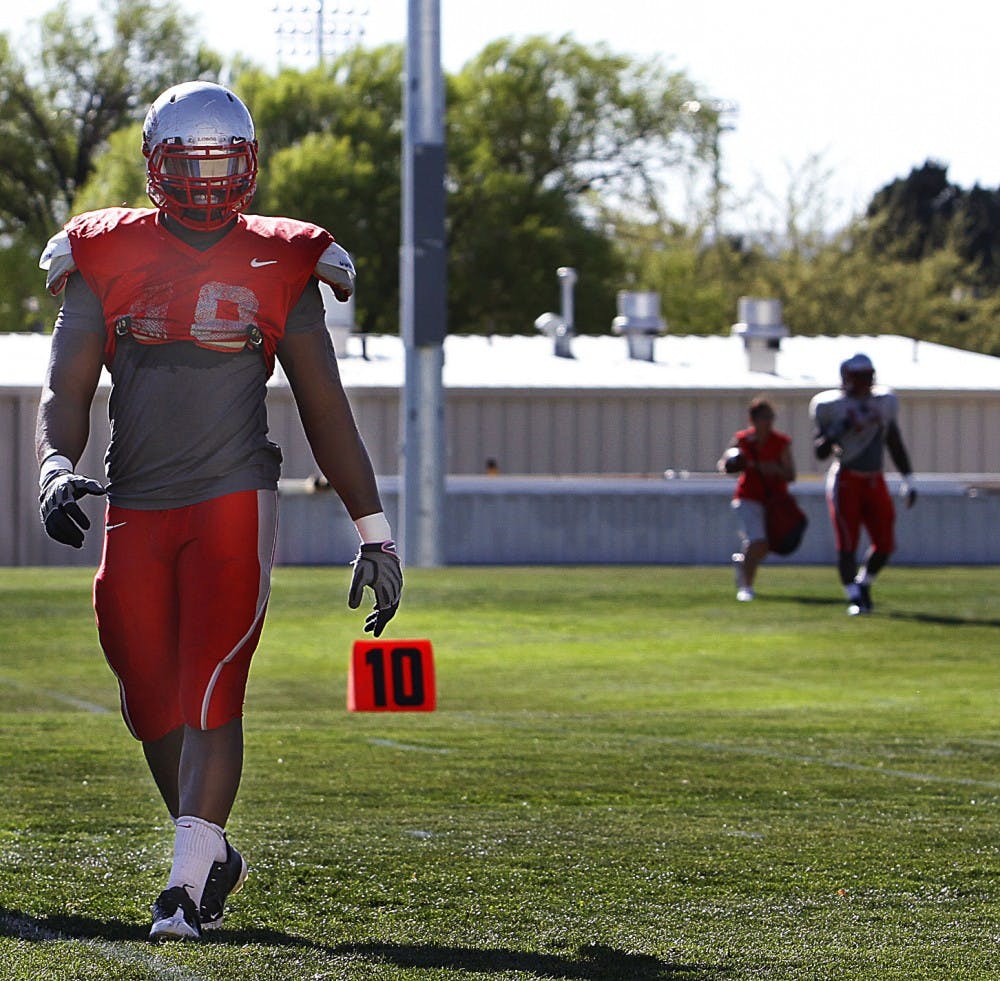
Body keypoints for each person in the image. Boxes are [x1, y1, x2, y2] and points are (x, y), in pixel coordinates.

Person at [34, 80, 404, 941]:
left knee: (210, 686)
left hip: (235, 495)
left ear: (248, 166)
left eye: (221, 163)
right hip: (136, 500)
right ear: (157, 166)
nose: (207, 182)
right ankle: (212, 852)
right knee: (146, 696)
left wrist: (373, 529)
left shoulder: (286, 259)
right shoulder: (100, 250)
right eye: (190, 164)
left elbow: (325, 406)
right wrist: (56, 462)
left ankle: (184, 889)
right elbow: (68, 380)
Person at [809, 352, 916, 616]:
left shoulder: (884, 402)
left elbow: (893, 441)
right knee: (847, 542)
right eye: (860, 377)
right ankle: (854, 598)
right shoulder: (831, 406)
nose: (866, 383)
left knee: (886, 543)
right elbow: (820, 452)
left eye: (868, 377)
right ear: (846, 378)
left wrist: (909, 478)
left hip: (874, 478)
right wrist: (839, 429)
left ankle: (863, 583)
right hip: (846, 478)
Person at [717, 398, 797, 601]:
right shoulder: (743, 440)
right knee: (757, 541)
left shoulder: (780, 442)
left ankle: (743, 563)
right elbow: (725, 463)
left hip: (773, 500)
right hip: (748, 497)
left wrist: (775, 469)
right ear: (753, 420)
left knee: (766, 545)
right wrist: (735, 462)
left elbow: (790, 474)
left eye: (770, 418)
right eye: (764, 418)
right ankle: (746, 587)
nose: (768, 423)